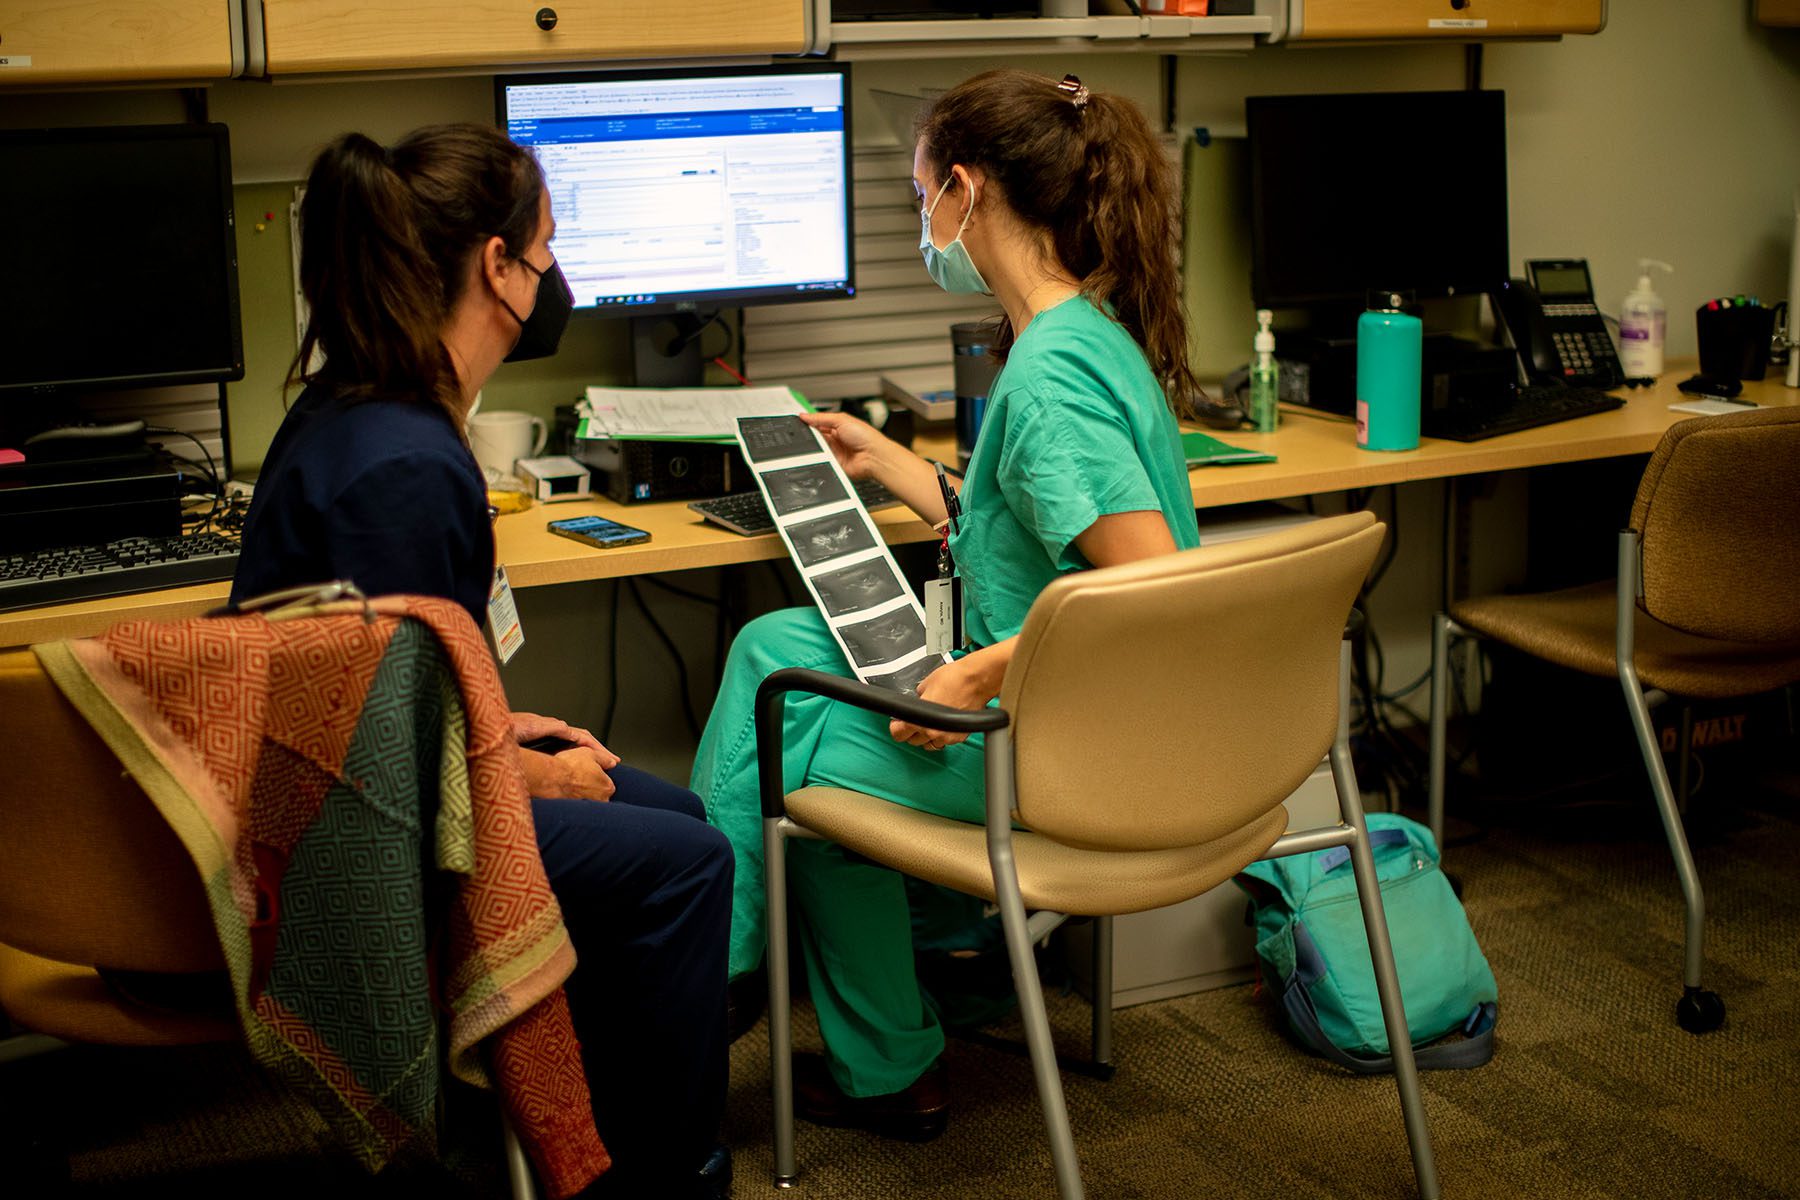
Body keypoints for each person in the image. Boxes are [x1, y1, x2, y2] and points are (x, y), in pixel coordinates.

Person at [690, 69, 1203, 1139]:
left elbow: (1156, 594)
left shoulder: (1050, 379)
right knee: (773, 642)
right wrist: (889, 462)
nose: (922, 221)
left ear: (965, 191)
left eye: (923, 195)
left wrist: (978, 668)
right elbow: (1028, 523)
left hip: (1062, 754)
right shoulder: (1079, 335)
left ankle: (731, 994)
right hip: (1095, 722)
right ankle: (870, 984)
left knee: (785, 738)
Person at [229, 124, 732, 1200]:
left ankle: (591, 1134)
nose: (557, 277)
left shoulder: (361, 408)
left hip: (367, 789)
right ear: (496, 267)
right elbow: (387, 765)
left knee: (671, 817)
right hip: (356, 847)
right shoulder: (406, 469)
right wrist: (515, 774)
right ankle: (663, 1176)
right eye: (546, 250)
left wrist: (505, 735)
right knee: (689, 865)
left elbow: (407, 697)